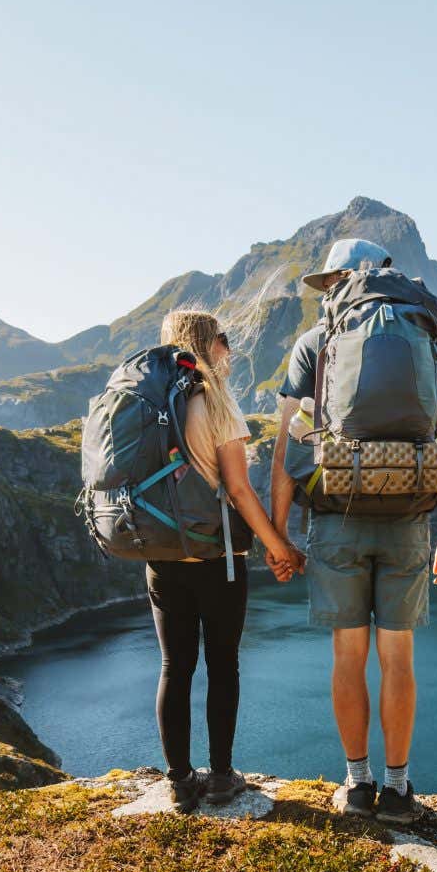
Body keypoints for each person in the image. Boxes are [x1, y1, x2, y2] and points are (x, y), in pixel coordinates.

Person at [268, 238, 437, 825]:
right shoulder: (429, 339)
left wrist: (277, 534)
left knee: (348, 656)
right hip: (410, 518)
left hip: (337, 522)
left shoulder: (314, 344)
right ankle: (400, 791)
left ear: (336, 280)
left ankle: (357, 785)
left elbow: (289, 447)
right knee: (398, 658)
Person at [149, 308, 305, 812]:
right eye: (224, 340)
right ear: (206, 344)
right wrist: (278, 547)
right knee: (222, 665)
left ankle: (178, 782)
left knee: (175, 665)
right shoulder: (215, 402)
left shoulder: (151, 403)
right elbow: (237, 489)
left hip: (162, 555)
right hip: (217, 558)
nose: (230, 350)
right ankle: (220, 777)